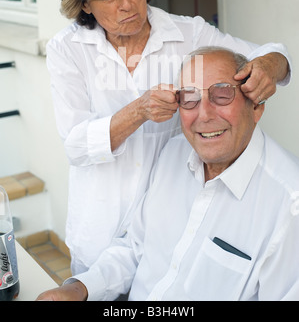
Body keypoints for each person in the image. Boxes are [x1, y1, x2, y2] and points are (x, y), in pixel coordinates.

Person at [47, 0, 291, 276]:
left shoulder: (187, 32)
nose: (127, 4)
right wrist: (138, 111)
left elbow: (269, 56)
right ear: (85, 4)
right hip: (98, 234)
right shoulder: (67, 49)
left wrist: (272, 64)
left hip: (166, 231)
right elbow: (76, 146)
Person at [37, 47, 299, 301]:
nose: (204, 115)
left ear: (256, 107)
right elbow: (135, 247)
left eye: (222, 95)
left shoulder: (289, 205)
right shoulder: (173, 154)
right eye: (190, 98)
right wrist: (79, 289)